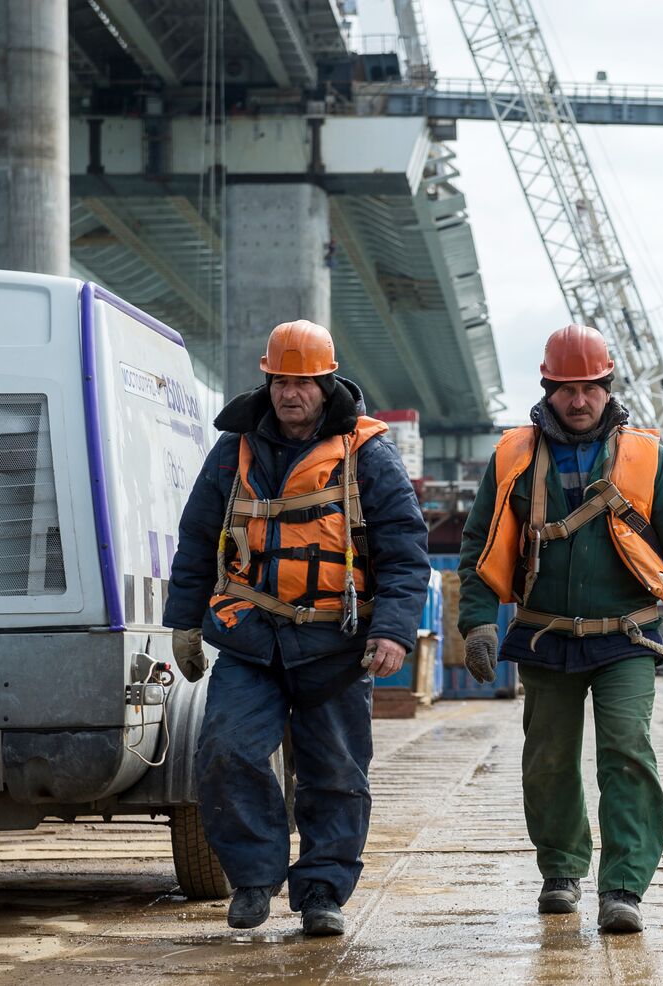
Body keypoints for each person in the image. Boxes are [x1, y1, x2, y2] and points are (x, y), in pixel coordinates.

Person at [456, 324, 663, 934]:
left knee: (627, 753)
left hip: (626, 637)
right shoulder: (513, 456)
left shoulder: (648, 456)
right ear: (547, 389)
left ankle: (624, 888)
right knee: (549, 758)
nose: (578, 401)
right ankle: (560, 872)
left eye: (589, 389)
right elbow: (481, 544)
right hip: (543, 634)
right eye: (565, 390)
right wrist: (477, 619)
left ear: (608, 388)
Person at [164, 321, 429, 934]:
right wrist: (182, 624)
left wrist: (392, 630)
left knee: (335, 771)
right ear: (268, 379)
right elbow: (199, 540)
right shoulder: (232, 451)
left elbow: (405, 550)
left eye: (304, 382)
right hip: (250, 641)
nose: (291, 393)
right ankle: (255, 880)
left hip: (336, 646)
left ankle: (322, 895)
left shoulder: (368, 452)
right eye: (281, 380)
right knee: (226, 751)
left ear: (327, 383)